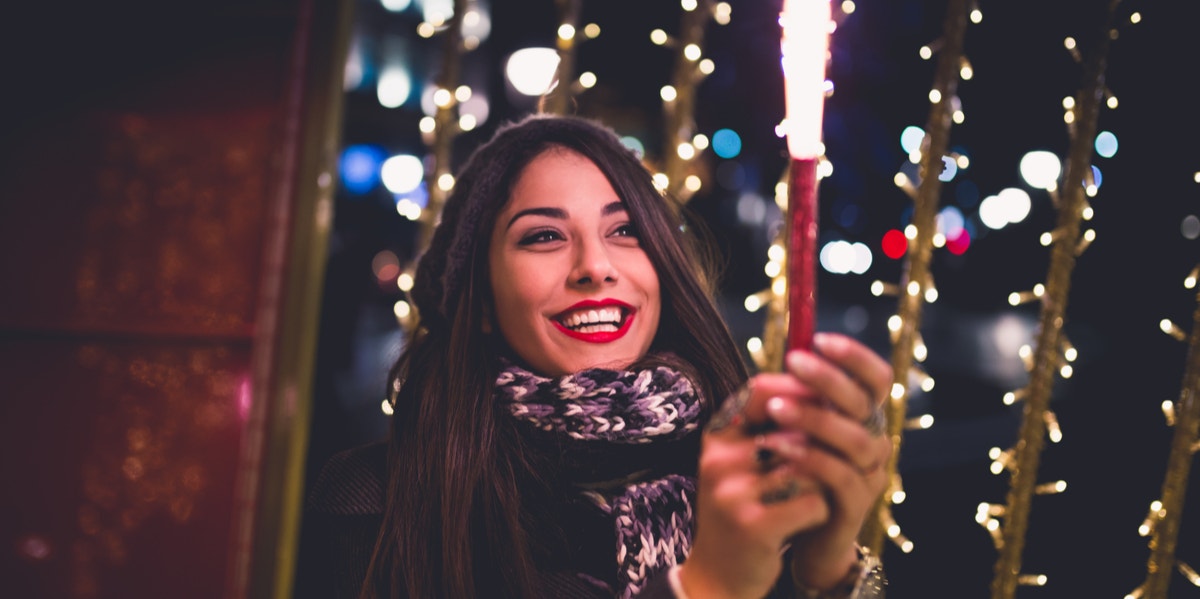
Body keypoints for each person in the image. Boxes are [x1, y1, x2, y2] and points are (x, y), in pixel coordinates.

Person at [296, 113, 892, 599]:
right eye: (544, 236)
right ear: (480, 299)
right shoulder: (376, 504)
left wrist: (828, 569)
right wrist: (708, 588)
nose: (596, 266)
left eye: (625, 230)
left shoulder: (752, 470)